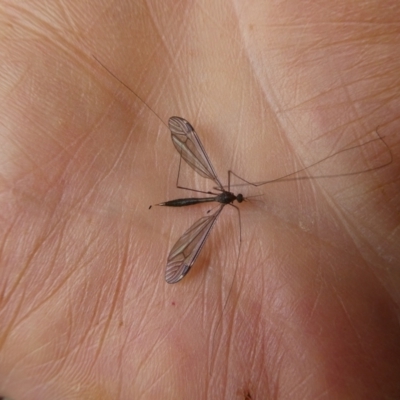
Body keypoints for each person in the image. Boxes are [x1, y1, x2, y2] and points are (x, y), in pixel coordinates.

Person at [0, 1, 399, 398]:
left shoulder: (222, 198)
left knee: (195, 222)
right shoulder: (227, 202)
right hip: (200, 196)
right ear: (233, 196)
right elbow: (185, 134)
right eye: (236, 196)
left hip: (203, 195)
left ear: (231, 196)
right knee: (192, 214)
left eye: (235, 197)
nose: (236, 197)